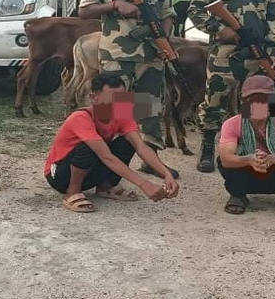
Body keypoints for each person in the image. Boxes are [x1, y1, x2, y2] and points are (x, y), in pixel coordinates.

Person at [78, 0, 178, 177]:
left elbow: (167, 13)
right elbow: (84, 10)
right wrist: (114, 4)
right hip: (117, 55)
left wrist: (163, 36)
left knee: (148, 107)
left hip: (151, 55)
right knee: (110, 109)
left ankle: (151, 159)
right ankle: (102, 162)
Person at [188, 0, 275, 173]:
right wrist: (220, 29)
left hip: (255, 53)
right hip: (224, 53)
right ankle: (208, 147)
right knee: (215, 101)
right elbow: (196, 11)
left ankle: (252, 146)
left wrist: (272, 51)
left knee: (256, 102)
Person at [44, 72, 180, 213]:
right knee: (89, 147)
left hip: (89, 170)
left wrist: (166, 174)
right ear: (93, 98)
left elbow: (142, 147)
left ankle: (105, 187)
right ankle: (72, 191)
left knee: (127, 142)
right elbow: (106, 157)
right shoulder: (80, 118)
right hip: (60, 175)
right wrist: (144, 184)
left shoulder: (122, 114)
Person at [216, 75, 275, 217]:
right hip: (247, 170)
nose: (258, 104)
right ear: (243, 101)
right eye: (252, 100)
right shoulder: (232, 123)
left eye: (264, 99)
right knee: (222, 160)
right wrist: (250, 159)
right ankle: (238, 195)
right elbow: (226, 158)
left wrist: (272, 159)